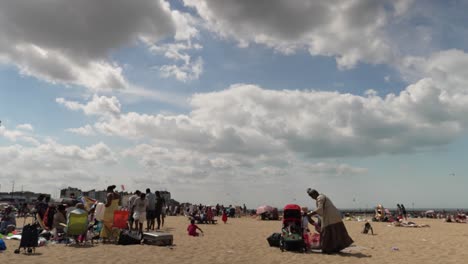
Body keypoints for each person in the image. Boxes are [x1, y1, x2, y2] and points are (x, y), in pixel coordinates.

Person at [306, 188, 353, 254]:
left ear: (315, 194)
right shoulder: (322, 196)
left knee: (326, 232)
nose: (312, 198)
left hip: (329, 217)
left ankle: (327, 248)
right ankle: (336, 247)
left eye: (311, 196)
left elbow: (319, 209)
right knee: (335, 232)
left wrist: (309, 214)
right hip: (334, 216)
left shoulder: (320, 198)